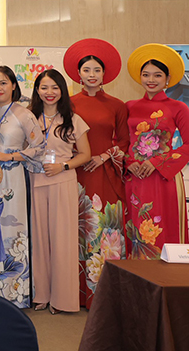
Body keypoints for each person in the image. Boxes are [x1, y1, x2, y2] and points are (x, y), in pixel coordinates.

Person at [63, 38, 129, 307]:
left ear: (105, 74)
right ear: (78, 73)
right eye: (86, 70)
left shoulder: (117, 105)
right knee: (76, 230)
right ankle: (75, 293)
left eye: (96, 70)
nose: (91, 75)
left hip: (104, 175)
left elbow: (124, 141)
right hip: (76, 175)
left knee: (104, 231)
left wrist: (103, 156)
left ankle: (104, 297)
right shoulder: (68, 103)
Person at [28, 69, 91, 314]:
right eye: (44, 87)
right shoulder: (29, 117)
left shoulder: (73, 119)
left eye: (55, 87)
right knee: (39, 240)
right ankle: (41, 295)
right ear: (37, 91)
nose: (49, 92)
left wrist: (63, 165)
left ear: (62, 90)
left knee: (62, 241)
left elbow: (85, 154)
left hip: (62, 182)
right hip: (35, 182)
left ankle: (62, 299)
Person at [0, 65, 45, 308]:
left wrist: (11, 156)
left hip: (12, 180)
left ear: (13, 85)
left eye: (3, 83)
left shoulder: (24, 114)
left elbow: (40, 147)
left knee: (10, 231)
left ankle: (13, 295)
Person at [124, 44, 189, 257]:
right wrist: (129, 162)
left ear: (167, 78)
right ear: (139, 77)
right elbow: (120, 141)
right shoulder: (129, 106)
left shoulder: (178, 107)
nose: (151, 79)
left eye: (157, 75)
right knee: (135, 233)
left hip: (164, 178)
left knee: (163, 231)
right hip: (135, 177)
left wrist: (155, 163)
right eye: (146, 75)